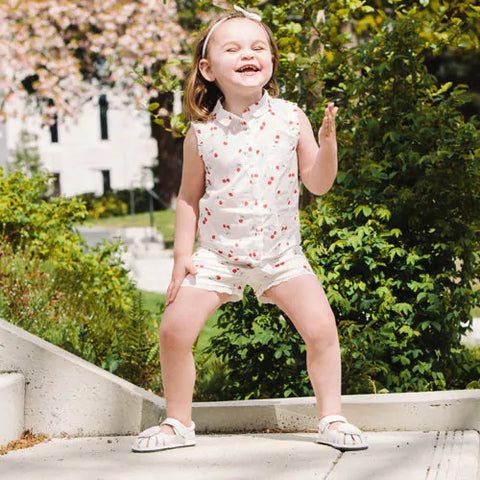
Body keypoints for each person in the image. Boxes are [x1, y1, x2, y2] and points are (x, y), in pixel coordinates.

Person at [132, 5, 367, 453]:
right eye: (234, 48)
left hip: (281, 255)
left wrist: (330, 143)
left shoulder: (289, 118)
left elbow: (317, 182)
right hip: (217, 257)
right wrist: (183, 259)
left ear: (272, 62)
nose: (249, 54)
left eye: (259, 47)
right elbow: (187, 198)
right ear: (207, 68)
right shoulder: (201, 133)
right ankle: (178, 424)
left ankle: (332, 417)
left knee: (321, 329)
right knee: (174, 332)